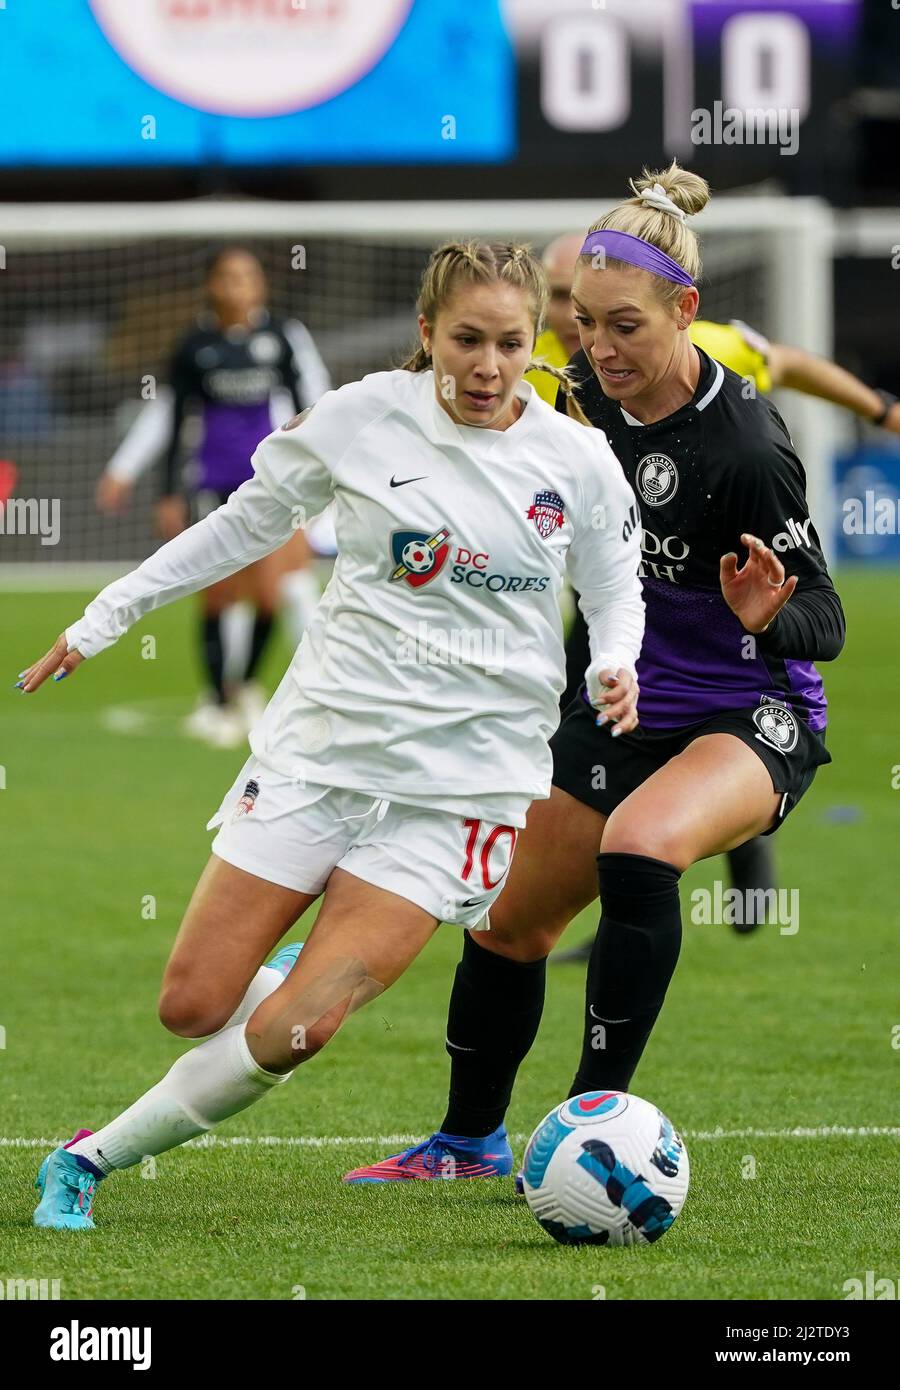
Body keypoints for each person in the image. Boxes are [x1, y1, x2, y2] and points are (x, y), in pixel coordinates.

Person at [23, 239, 645, 1230]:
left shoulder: (575, 460)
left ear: (538, 343)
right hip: (323, 753)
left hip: (464, 792)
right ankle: (279, 976)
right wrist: (106, 617)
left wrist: (615, 663)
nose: (488, 366)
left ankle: (86, 1161)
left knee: (296, 1028)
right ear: (426, 333)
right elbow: (243, 525)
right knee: (190, 1003)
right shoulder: (362, 417)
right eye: (467, 340)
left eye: (511, 344)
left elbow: (617, 595)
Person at [345, 163, 845, 1188]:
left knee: (640, 845)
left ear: (686, 312)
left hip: (754, 712)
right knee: (506, 917)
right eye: (581, 324)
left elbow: (826, 617)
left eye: (624, 326)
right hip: (625, 704)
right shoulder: (574, 407)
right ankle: (466, 1144)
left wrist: (771, 611)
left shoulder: (745, 441)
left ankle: (584, 1131)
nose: (599, 351)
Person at [529, 229, 895, 949]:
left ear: (677, 311)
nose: (583, 324)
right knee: (578, 754)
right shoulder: (542, 372)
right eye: (567, 302)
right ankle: (625, 888)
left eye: (597, 305)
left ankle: (735, 841)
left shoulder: (702, 357)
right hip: (613, 602)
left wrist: (880, 412)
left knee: (671, 793)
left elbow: (789, 365)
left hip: (723, 636)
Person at [96, 246, 332, 746]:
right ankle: (218, 700)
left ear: (262, 284)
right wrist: (163, 491)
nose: (239, 285)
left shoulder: (282, 338)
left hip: (271, 484)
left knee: (271, 595)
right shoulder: (195, 346)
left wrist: (317, 471)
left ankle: (243, 684)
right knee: (220, 593)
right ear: (212, 285)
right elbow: (174, 415)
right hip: (212, 484)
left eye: (248, 276)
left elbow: (309, 404)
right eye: (228, 277)